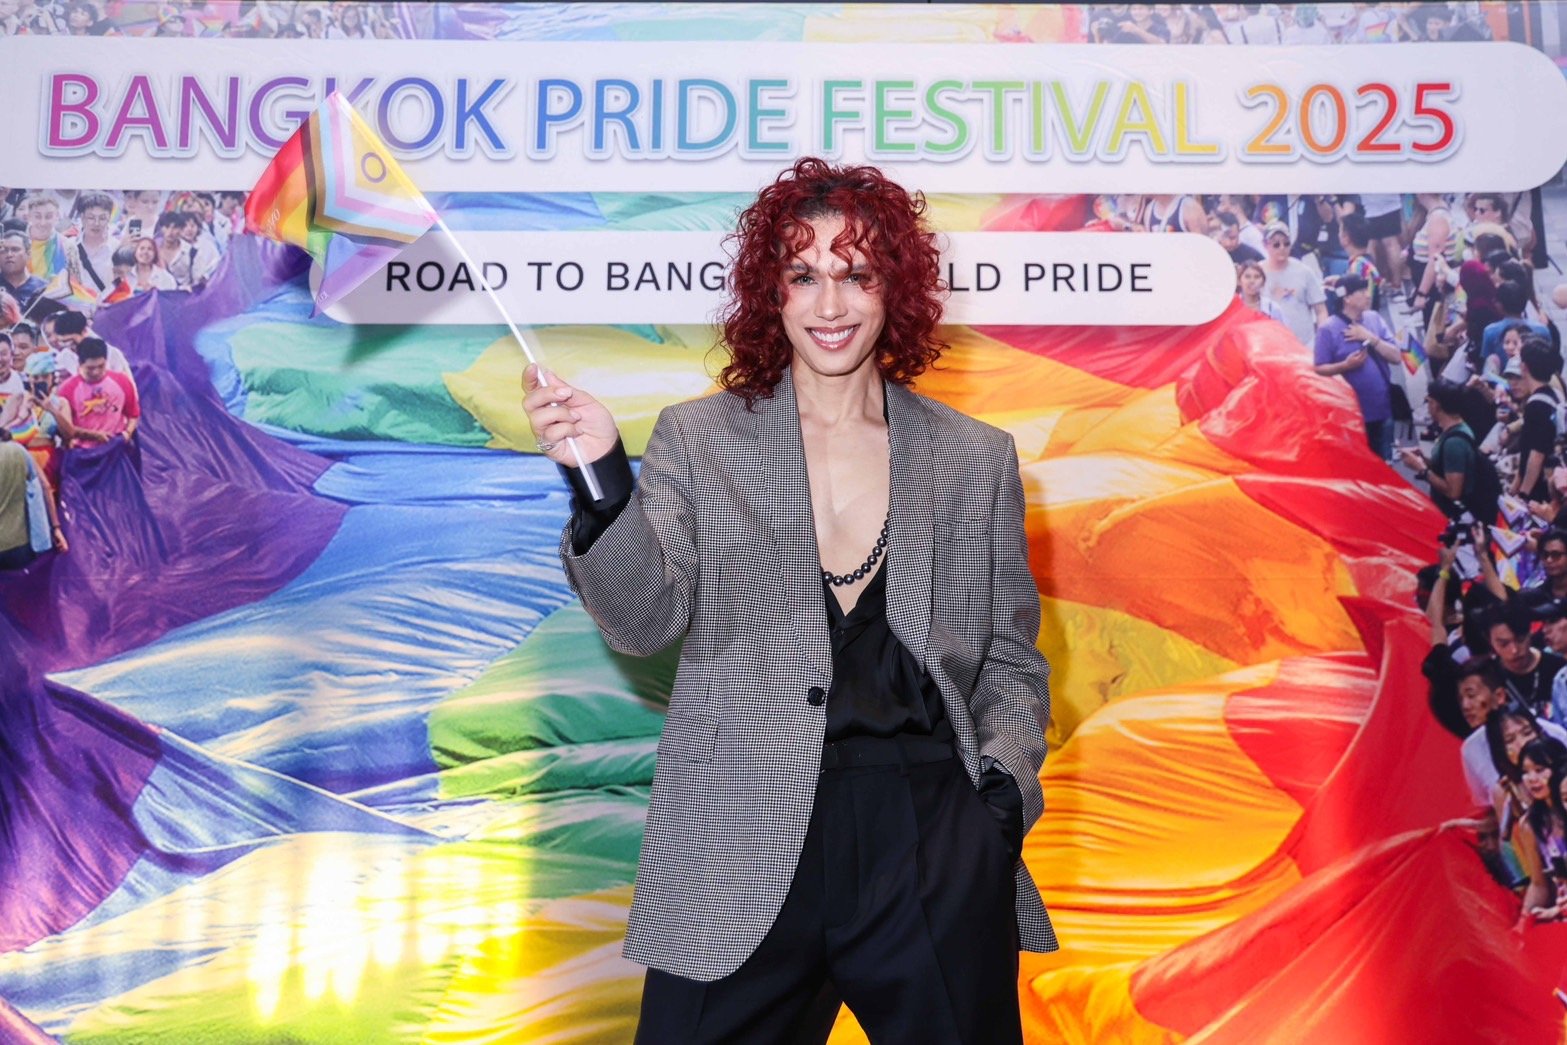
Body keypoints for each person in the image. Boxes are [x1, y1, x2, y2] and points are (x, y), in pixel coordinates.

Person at [524, 158, 1054, 1043]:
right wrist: (604, 482)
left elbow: (1010, 662)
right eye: (802, 275)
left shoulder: (974, 457)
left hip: (930, 836)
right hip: (737, 833)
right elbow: (643, 620)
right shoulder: (699, 438)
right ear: (769, 292)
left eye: (856, 274)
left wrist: (995, 800)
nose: (829, 304)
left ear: (894, 287)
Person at [1312, 275, 1399, 458]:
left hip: (1382, 407)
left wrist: (1370, 338)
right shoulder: (1328, 329)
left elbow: (1396, 357)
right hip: (1350, 414)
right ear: (1347, 298)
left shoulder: (1374, 318)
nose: (1368, 295)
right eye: (1361, 291)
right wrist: (1345, 365)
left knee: (1385, 462)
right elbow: (1319, 368)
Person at [1401, 378, 1497, 524]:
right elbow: (1446, 467)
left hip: (1450, 515)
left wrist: (1421, 469)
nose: (1428, 406)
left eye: (1429, 402)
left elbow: (1453, 491)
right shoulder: (1456, 429)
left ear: (1436, 405)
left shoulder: (1454, 443)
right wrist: (1423, 459)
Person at [1485, 602, 1567, 720]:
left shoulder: (1558, 668)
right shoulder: (1488, 676)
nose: (1514, 650)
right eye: (1504, 644)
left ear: (1530, 633)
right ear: (1490, 642)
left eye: (1520, 640)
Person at [57, 337, 138, 447]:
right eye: (90, 368)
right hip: (83, 450)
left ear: (106, 361)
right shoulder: (67, 389)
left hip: (116, 447)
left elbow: (133, 414)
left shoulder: (121, 381)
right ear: (80, 364)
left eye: (101, 366)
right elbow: (64, 427)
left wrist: (127, 433)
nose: (96, 372)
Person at [1507, 339, 1560, 504]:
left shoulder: (1537, 405)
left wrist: (1523, 494)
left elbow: (1536, 456)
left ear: (1524, 367)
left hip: (1539, 490)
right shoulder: (1554, 396)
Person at [1260, 219, 1327, 346]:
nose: (1282, 248)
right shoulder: (1257, 273)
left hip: (1303, 344)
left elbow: (1320, 310)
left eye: (1286, 243)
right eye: (1276, 244)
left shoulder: (1304, 271)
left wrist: (1321, 340)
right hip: (1269, 344)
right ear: (1265, 245)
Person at [0, 231, 48, 317]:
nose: (9, 255)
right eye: (4, 251)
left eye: (15, 249)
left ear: (28, 254)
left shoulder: (43, 289)